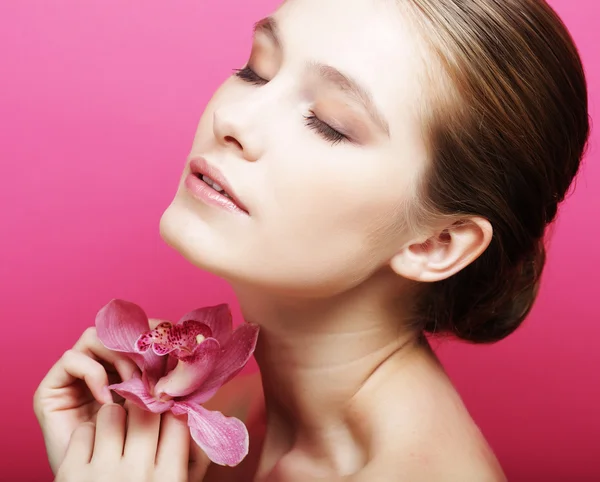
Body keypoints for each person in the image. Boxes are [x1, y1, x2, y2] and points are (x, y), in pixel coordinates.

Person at [34, 0, 590, 480]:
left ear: (436, 243)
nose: (234, 117)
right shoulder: (227, 415)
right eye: (256, 70)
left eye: (329, 124)